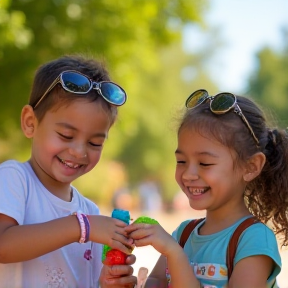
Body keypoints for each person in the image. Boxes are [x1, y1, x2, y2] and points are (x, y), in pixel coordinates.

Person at [126, 89, 288, 287]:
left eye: (204, 163)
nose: (187, 174)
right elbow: (156, 282)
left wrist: (175, 254)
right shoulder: (183, 234)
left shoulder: (253, 240)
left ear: (251, 167)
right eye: (181, 161)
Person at [0, 54, 137, 288]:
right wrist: (82, 227)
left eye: (94, 143)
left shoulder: (89, 211)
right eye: (66, 136)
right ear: (30, 122)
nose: (78, 151)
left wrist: (109, 281)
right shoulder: (14, 178)